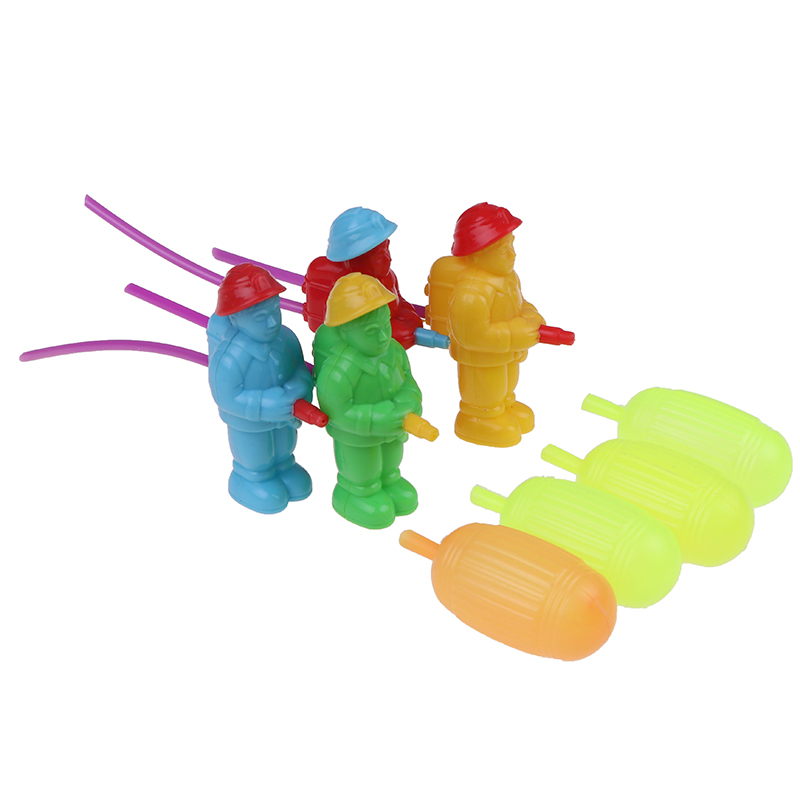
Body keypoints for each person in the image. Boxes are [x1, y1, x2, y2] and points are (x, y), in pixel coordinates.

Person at [426, 202, 544, 448]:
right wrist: (514, 334)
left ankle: (505, 405)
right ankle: (478, 416)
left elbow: (519, 303)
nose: (513, 254)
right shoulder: (471, 292)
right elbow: (472, 335)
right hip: (479, 360)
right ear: (476, 254)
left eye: (511, 245)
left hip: (505, 353)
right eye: (503, 250)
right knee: (487, 388)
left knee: (507, 381)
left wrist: (531, 316)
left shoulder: (508, 278)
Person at [313, 273, 424, 529]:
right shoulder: (340, 370)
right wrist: (375, 419)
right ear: (345, 331)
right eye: (371, 332)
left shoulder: (394, 351)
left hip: (393, 428)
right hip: (357, 439)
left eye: (385, 325)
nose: (383, 336)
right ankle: (356, 493)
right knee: (363, 468)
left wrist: (410, 402)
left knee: (391, 458)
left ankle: (389, 481)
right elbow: (337, 412)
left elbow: (408, 381)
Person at [207, 263, 314, 513]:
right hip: (248, 425)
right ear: (234, 317)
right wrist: (265, 406)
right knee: (256, 457)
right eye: (259, 317)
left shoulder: (286, 338)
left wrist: (300, 388)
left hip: (285, 418)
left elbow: (301, 369)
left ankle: (284, 467)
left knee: (284, 447)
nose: (271, 322)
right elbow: (225, 396)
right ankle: (250, 479)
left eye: (275, 310)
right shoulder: (231, 357)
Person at [303, 207, 422, 349]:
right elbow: (363, 334)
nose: (388, 259)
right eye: (379, 255)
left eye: (387, 250)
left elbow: (399, 303)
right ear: (352, 260)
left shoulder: (387, 277)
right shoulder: (350, 290)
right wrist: (399, 331)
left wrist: (410, 316)